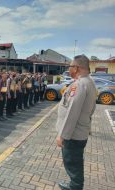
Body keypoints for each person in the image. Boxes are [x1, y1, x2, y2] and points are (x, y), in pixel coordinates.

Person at [56, 55, 97, 190]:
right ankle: (74, 185)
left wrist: (62, 135)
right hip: (80, 131)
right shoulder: (89, 82)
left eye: (70, 66)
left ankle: (75, 187)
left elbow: (72, 111)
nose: (69, 69)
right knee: (76, 162)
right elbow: (92, 108)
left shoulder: (80, 84)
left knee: (72, 163)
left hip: (73, 135)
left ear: (77, 68)